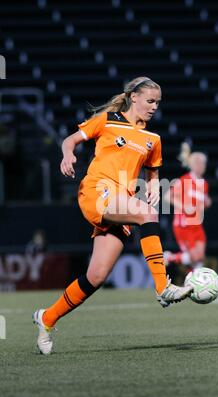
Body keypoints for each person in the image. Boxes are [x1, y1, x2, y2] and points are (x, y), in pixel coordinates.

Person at [33, 76, 193, 355]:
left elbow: (152, 172)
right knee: (146, 212)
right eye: (150, 101)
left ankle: (46, 319)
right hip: (97, 192)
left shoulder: (153, 139)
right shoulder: (107, 120)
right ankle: (162, 287)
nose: (154, 107)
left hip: (121, 203)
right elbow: (70, 141)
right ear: (134, 97)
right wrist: (67, 155)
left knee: (96, 276)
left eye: (158, 102)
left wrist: (154, 186)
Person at [163, 142, 212, 272]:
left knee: (200, 257)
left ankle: (196, 284)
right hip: (183, 224)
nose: (202, 166)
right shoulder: (184, 180)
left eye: (203, 163)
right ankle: (169, 258)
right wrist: (184, 206)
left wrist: (206, 203)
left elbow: (201, 205)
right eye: (199, 163)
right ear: (193, 164)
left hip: (197, 224)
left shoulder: (204, 184)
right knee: (194, 257)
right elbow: (168, 197)